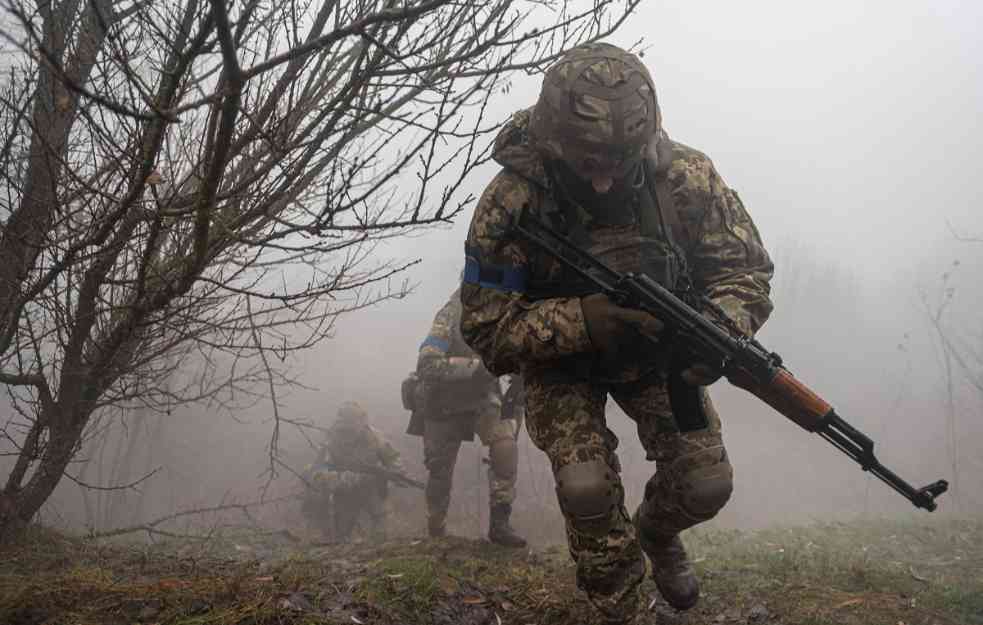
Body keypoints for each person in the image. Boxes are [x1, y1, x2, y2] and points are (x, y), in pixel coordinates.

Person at [459, 42, 774, 624]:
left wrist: (717, 331)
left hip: (659, 353)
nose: (603, 183)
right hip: (561, 364)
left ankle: (657, 535)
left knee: (706, 485)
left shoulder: (685, 178)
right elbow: (485, 327)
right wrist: (581, 321)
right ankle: (620, 606)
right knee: (586, 489)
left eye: (618, 163)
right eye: (586, 164)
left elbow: (744, 270)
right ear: (555, 144)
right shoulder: (512, 201)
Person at [409, 287, 527, 547]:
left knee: (505, 447)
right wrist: (476, 368)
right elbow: (427, 363)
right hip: (442, 400)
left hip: (483, 399)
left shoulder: (505, 312)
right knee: (439, 469)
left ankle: (500, 524)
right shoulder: (451, 314)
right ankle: (436, 528)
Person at [302, 401, 403, 542]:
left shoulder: (374, 437)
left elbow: (392, 457)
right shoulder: (330, 441)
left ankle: (380, 550)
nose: (349, 431)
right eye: (345, 427)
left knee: (382, 525)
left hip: (371, 487)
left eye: (353, 425)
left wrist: (396, 471)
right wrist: (340, 479)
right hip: (345, 492)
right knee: (341, 535)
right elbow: (318, 471)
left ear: (361, 423)